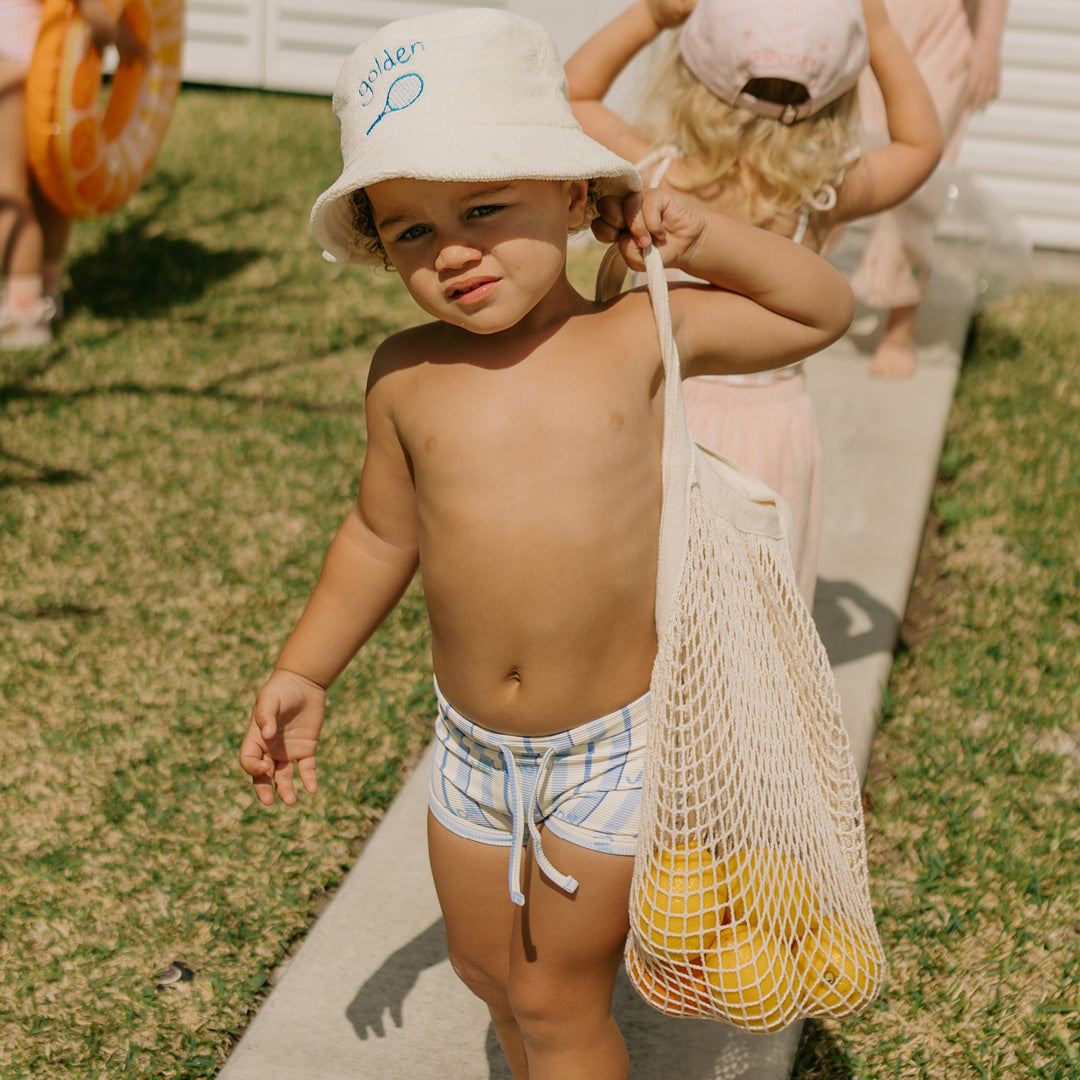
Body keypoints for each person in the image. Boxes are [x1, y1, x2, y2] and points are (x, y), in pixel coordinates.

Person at [237, 9, 854, 1079]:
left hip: (613, 752)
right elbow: (382, 532)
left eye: (484, 206)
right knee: (486, 972)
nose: (454, 252)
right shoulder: (404, 372)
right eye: (411, 231)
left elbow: (819, 311)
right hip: (471, 754)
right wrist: (305, 669)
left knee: (555, 999)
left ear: (574, 194)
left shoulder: (634, 336)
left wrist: (699, 235)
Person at [566, 0, 943, 604]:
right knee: (752, 612)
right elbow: (921, 145)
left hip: (653, 411)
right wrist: (876, 29)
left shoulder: (654, 172)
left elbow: (576, 92)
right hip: (767, 430)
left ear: (690, 79)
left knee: (643, 601)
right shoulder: (819, 195)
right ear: (837, 95)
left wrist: (651, 16)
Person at [851, 0, 1010, 378]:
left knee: (919, 174)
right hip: (871, 12)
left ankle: (901, 325)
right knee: (845, 160)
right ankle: (791, 299)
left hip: (948, 25)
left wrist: (988, 42)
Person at [0, 0, 143, 347]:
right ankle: (47, 291)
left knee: (8, 192)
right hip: (47, 67)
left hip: (15, 66)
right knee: (48, 188)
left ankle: (23, 312)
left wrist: (103, 22)